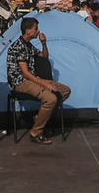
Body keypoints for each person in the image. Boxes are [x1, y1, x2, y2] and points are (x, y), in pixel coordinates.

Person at [6, 17, 71, 145]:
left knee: (65, 91)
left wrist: (44, 43)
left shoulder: (29, 46)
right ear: (28, 30)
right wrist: (45, 84)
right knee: (51, 99)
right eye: (35, 28)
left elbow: (44, 57)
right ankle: (36, 132)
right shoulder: (18, 46)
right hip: (20, 82)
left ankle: (39, 118)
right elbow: (25, 73)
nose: (38, 31)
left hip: (31, 79)